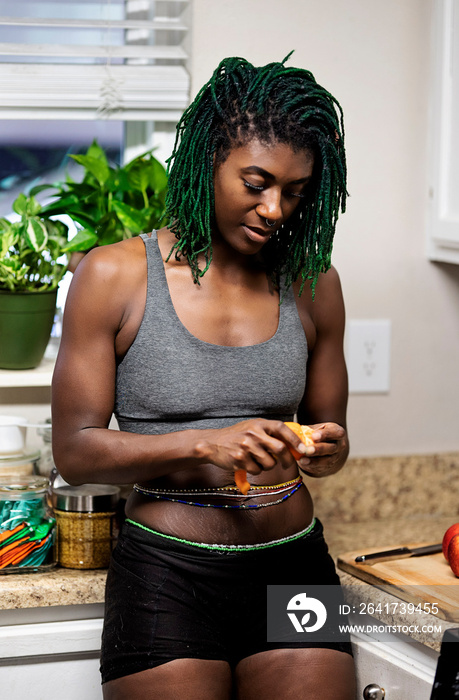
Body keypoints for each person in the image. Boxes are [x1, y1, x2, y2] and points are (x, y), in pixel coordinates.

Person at [52, 54, 356, 700]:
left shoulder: (313, 285)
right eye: (256, 182)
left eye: (296, 191)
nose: (276, 208)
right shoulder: (113, 278)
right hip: (166, 575)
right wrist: (203, 444)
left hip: (294, 563)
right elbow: (74, 452)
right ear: (208, 159)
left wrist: (328, 446)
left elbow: (333, 441)